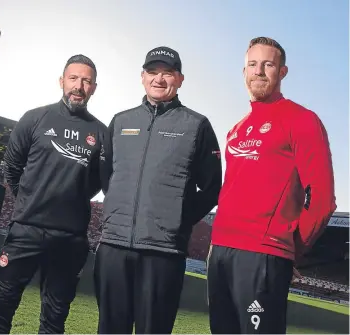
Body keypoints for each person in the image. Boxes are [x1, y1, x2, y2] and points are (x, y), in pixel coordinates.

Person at [207, 37, 337, 334]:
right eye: (252, 64)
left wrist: (291, 248)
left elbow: (322, 200)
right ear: (244, 72)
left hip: (264, 255)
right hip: (220, 252)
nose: (259, 71)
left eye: (268, 64)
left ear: (282, 72)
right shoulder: (236, 130)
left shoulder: (302, 120)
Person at [94, 46, 223, 334]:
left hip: (163, 253)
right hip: (113, 247)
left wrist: (177, 219)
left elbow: (213, 187)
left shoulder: (196, 125)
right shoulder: (121, 121)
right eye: (153, 72)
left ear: (180, 79)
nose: (159, 79)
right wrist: (117, 206)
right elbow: (107, 176)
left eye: (167, 73)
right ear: (142, 77)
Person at [0, 54, 109, 334]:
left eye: (86, 81)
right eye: (73, 78)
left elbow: (97, 184)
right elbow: (12, 168)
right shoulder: (35, 118)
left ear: (94, 88)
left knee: (54, 320)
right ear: (61, 81)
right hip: (26, 231)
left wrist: (69, 196)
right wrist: (30, 198)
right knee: (1, 307)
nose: (79, 86)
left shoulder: (101, 133)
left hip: (69, 239)